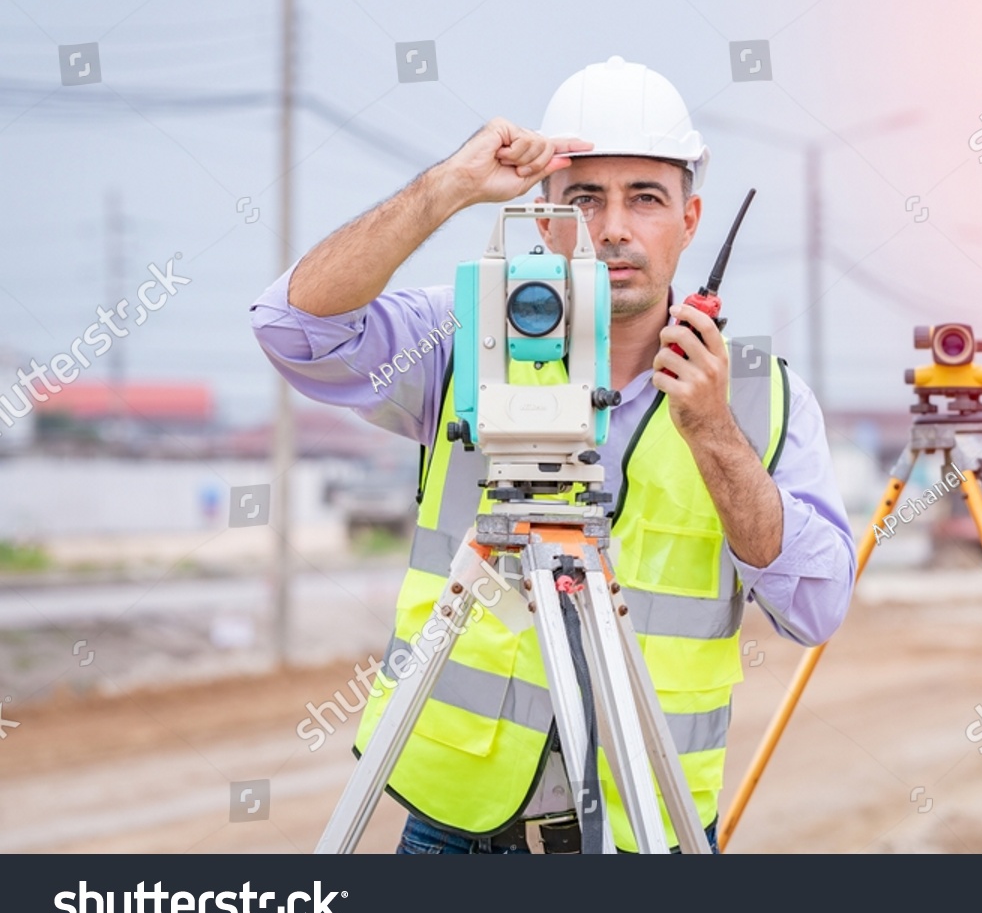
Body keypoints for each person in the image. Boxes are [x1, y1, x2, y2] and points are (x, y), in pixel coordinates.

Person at [251, 55, 856, 853]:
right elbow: (294, 330)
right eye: (584, 199)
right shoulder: (471, 335)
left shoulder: (760, 397)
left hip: (649, 821)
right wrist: (447, 188)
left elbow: (814, 608)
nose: (613, 227)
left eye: (645, 197)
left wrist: (713, 432)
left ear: (691, 218)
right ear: (545, 219)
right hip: (460, 823)